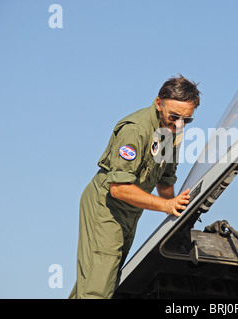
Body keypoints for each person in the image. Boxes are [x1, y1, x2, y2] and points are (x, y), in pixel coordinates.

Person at [69, 75, 201, 298]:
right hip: (106, 209)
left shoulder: (171, 132)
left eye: (186, 120)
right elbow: (118, 188)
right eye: (175, 116)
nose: (179, 124)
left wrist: (179, 209)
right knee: (97, 289)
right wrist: (167, 206)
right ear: (159, 104)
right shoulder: (135, 130)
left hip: (130, 213)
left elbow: (165, 182)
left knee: (100, 280)